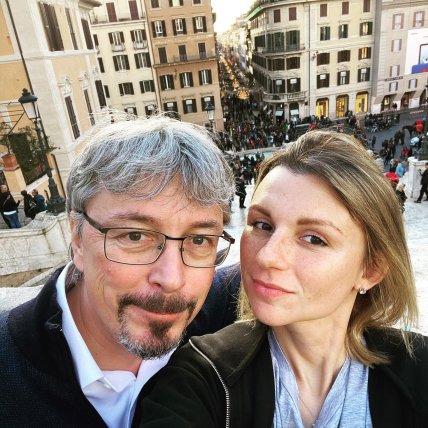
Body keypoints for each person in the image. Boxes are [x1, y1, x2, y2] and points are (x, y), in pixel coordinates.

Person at [135, 131, 428, 427]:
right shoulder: (200, 378)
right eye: (262, 224)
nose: (267, 257)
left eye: (313, 239)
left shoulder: (419, 368)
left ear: (371, 270)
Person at [0, 115, 237, 427]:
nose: (172, 279)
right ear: (77, 239)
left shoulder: (222, 316)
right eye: (135, 236)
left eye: (199, 240)